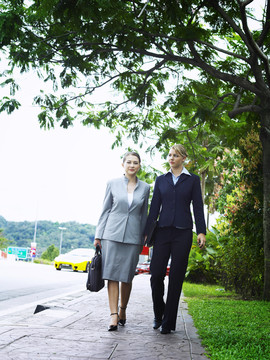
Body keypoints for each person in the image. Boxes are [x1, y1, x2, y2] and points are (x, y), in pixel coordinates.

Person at [144, 144, 206, 334]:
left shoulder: (192, 180)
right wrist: (147, 232)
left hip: (183, 233)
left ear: (183, 158)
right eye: (170, 155)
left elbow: (197, 207)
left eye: (175, 155)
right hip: (162, 232)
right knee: (156, 275)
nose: (171, 158)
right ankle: (159, 314)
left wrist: (201, 231)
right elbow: (154, 208)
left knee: (176, 278)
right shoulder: (161, 180)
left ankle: (169, 323)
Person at [94, 151, 150, 331]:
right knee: (111, 274)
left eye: (135, 162)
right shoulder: (112, 183)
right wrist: (98, 234)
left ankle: (122, 309)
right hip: (111, 233)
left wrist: (144, 236)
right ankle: (113, 316)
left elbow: (144, 214)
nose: (132, 165)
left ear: (139, 165)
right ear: (123, 164)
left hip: (134, 237)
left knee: (126, 276)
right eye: (129, 162)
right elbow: (105, 210)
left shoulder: (145, 187)